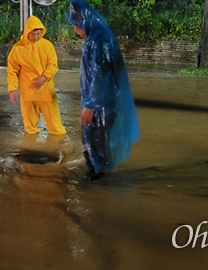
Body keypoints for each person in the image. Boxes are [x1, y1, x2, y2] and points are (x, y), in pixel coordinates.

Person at [67, 0, 140, 180]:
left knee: (95, 142)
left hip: (101, 105)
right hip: (105, 102)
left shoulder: (98, 40)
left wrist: (90, 105)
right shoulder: (100, 36)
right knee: (97, 142)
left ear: (84, 21)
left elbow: (101, 74)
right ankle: (100, 173)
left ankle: (98, 181)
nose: (75, 30)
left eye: (76, 25)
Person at [7, 15, 66, 135]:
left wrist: (44, 78)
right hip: (28, 91)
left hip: (46, 90)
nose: (36, 37)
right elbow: (12, 70)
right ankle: (30, 151)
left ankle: (59, 149)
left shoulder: (47, 45)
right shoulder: (17, 48)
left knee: (56, 127)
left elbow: (53, 65)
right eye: (33, 34)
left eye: (39, 33)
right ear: (27, 32)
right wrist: (12, 89)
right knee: (30, 128)